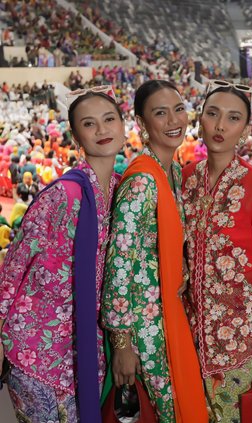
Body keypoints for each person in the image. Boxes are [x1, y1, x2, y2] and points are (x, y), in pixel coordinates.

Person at [0, 88, 125, 422]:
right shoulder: (62, 196)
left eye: (109, 119)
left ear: (125, 125)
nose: (102, 130)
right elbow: (13, 267)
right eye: (90, 123)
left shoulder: (123, 192)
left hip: (87, 352)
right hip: (35, 350)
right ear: (76, 135)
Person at [182, 80, 252, 421]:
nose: (220, 125)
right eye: (212, 114)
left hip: (244, 335)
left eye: (232, 118)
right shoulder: (186, 179)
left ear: (244, 129)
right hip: (191, 329)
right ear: (200, 119)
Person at [101, 80, 208, 422]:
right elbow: (119, 265)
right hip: (144, 328)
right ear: (142, 123)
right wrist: (122, 346)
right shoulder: (142, 182)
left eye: (178, 109)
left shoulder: (173, 171)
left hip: (168, 314)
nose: (174, 120)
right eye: (160, 113)